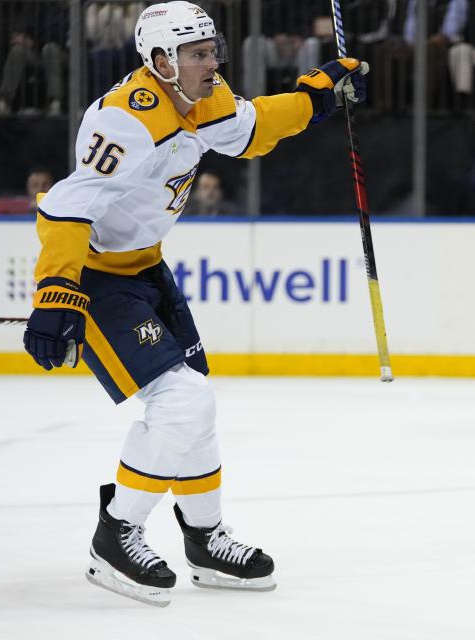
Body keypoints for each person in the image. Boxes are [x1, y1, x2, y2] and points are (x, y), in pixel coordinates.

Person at [21, 1, 368, 607]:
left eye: (212, 51)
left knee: (194, 406)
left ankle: (204, 537)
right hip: (99, 276)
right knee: (182, 400)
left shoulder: (205, 98)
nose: (212, 63)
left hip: (147, 266)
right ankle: (116, 533)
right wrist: (56, 293)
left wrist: (315, 97)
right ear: (159, 62)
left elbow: (251, 129)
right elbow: (66, 206)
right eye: (197, 54)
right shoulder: (125, 122)